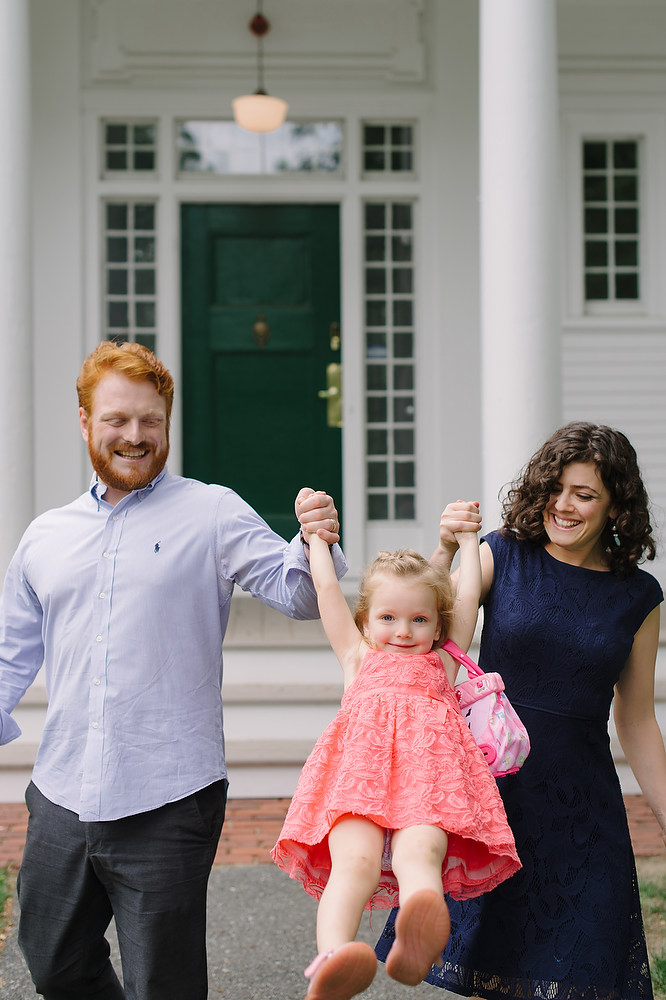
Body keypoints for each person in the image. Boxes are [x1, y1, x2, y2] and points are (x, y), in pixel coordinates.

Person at [0, 339, 346, 1000]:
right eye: (117, 420)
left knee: (166, 983)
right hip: (62, 791)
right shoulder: (46, 534)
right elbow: (10, 653)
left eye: (150, 421)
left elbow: (298, 595)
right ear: (85, 423)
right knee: (52, 961)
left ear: (167, 423)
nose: (135, 436)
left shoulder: (211, 512)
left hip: (169, 793)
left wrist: (314, 541)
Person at [376, 421, 666, 1000]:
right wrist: (445, 548)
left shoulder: (638, 596)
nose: (563, 505)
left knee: (583, 968)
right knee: (502, 967)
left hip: (583, 807)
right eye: (555, 488)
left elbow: (635, 719)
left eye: (584, 494)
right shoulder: (499, 554)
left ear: (616, 507)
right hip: (493, 795)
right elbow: (439, 648)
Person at [272, 508, 521, 1000]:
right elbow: (326, 592)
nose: (403, 630)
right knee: (354, 865)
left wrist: (469, 540)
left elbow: (468, 594)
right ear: (365, 620)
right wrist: (314, 540)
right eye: (388, 618)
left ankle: (418, 932)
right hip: (359, 777)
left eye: (419, 619)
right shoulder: (358, 655)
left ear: (437, 625)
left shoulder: (445, 662)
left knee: (421, 854)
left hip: (430, 778)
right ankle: (333, 959)